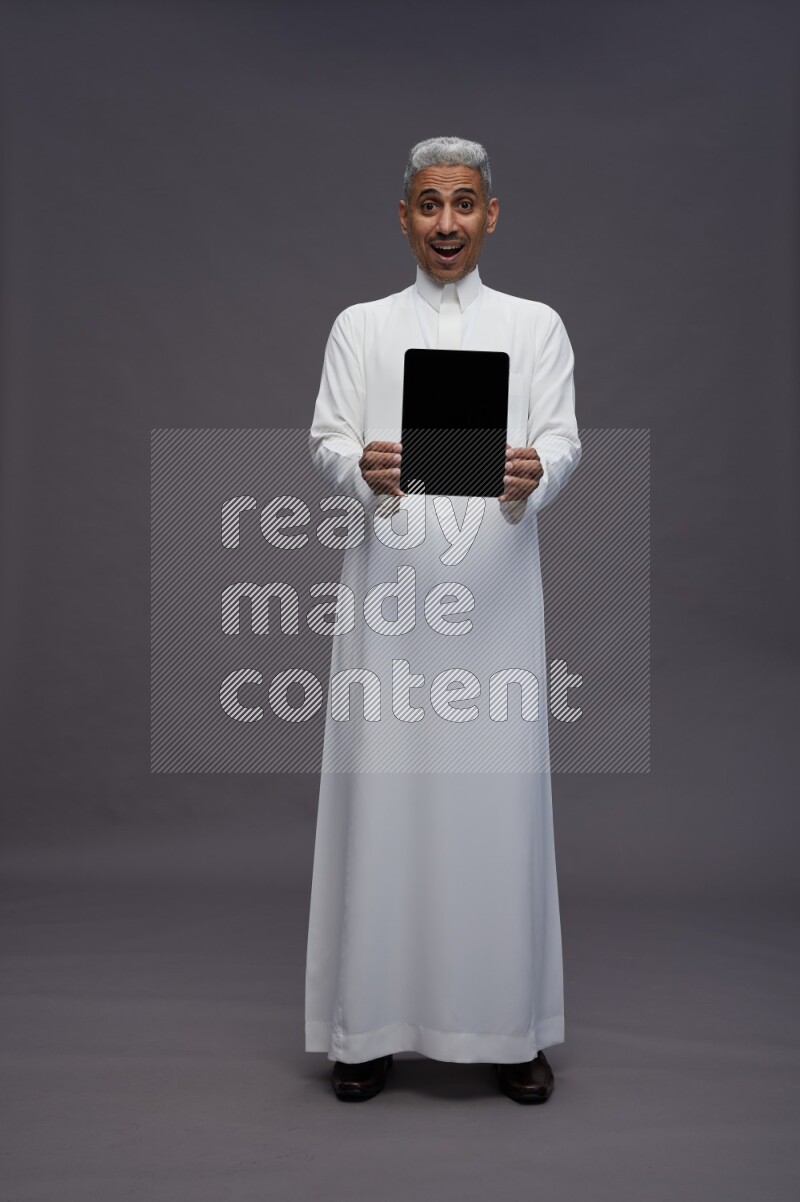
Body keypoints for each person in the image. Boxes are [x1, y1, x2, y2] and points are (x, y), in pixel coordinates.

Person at [304, 136, 581, 1103]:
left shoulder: (535, 326)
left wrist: (537, 473)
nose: (448, 222)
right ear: (405, 217)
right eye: (430, 205)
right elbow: (328, 436)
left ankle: (508, 1030)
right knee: (385, 796)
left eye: (465, 203)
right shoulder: (362, 327)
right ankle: (368, 1027)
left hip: (497, 601)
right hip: (391, 600)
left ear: (492, 215)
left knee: (497, 805)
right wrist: (360, 467)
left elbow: (562, 438)